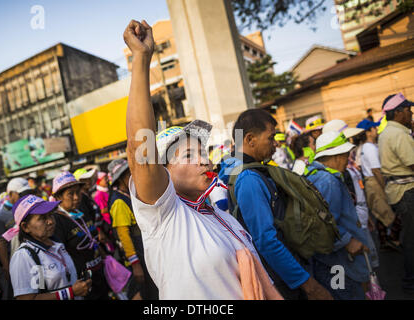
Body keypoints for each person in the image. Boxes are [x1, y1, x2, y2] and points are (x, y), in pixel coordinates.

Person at [123, 20, 280, 300]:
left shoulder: (221, 216)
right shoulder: (165, 216)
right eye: (188, 155)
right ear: (163, 172)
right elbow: (141, 151)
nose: (205, 161)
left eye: (203, 152)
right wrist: (141, 58)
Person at [219, 108, 333, 300]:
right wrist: (308, 284)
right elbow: (266, 240)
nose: (276, 144)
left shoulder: (246, 170)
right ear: (250, 139)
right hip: (280, 280)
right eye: (271, 138)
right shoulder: (248, 179)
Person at [304, 131, 370, 300]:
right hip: (337, 262)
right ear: (335, 156)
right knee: (344, 295)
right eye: (346, 155)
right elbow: (322, 222)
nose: (348, 159)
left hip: (330, 261)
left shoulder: (315, 176)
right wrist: (348, 240)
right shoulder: (328, 181)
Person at [5, 194, 92, 300]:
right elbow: (28, 298)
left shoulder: (57, 244)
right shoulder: (26, 256)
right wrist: (70, 292)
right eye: (42, 218)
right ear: (25, 227)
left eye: (50, 215)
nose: (50, 221)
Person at [51, 171, 111, 300]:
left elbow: (92, 238)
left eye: (77, 192)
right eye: (70, 194)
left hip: (99, 275)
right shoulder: (57, 221)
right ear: (58, 197)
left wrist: (105, 258)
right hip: (83, 284)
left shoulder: (81, 212)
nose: (76, 197)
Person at [378, 93, 414, 293]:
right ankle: (410, 281)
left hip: (400, 191)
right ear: (398, 112)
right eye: (408, 110)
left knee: (409, 237)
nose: (411, 113)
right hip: (407, 191)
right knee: (411, 239)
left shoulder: (390, 132)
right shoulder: (398, 134)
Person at [107, 158, 159, 300]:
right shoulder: (118, 202)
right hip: (138, 253)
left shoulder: (130, 195)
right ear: (121, 178)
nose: (132, 175)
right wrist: (135, 264)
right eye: (127, 173)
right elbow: (123, 235)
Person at [355, 119, 399, 250]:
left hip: (370, 182)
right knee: (390, 215)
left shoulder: (364, 147)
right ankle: (393, 239)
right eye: (373, 128)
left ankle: (384, 240)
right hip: (375, 182)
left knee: (381, 214)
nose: (376, 130)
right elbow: (376, 170)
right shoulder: (369, 148)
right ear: (368, 132)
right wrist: (385, 187)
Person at [0, 177, 34, 299]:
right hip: (17, 262)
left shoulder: (28, 207)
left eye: (27, 193)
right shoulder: (0, 217)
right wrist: (6, 267)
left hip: (33, 257)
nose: (25, 196)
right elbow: (1, 243)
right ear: (11, 194)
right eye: (22, 194)